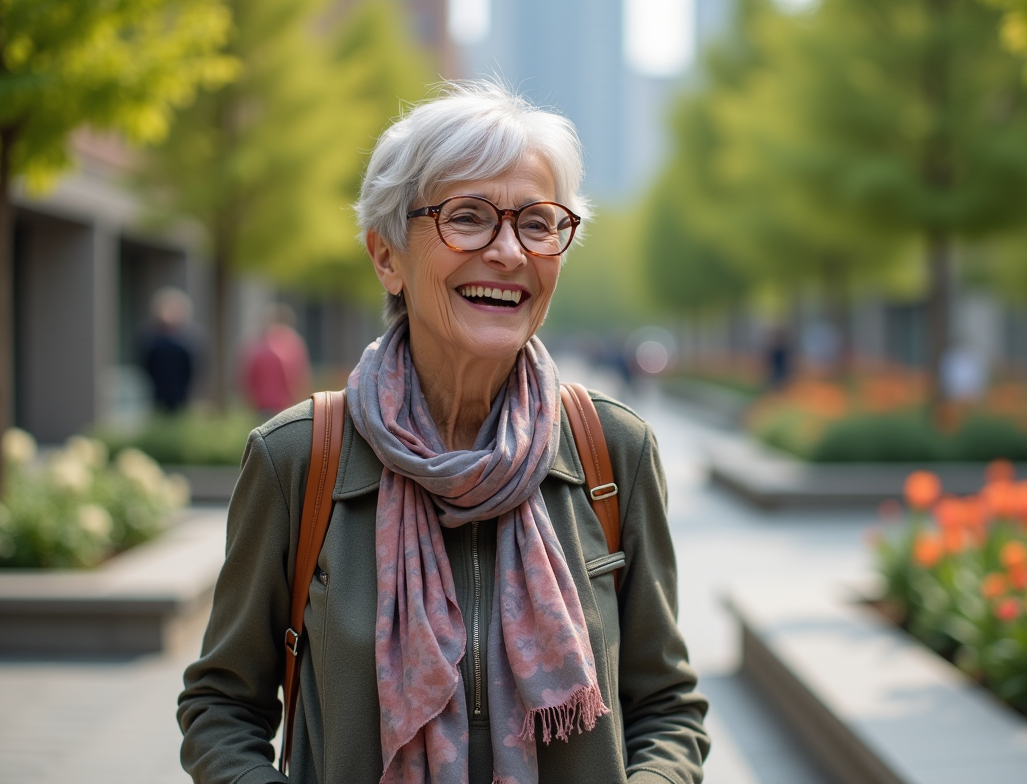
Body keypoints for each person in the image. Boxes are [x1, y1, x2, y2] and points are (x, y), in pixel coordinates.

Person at [177, 82, 710, 784]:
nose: (509, 252)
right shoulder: (299, 458)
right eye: (468, 217)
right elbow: (221, 706)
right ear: (386, 256)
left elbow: (667, 706)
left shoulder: (613, 451)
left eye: (539, 222)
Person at [242, 304, 313, 418]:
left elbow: (248, 377)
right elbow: (298, 378)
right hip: (285, 405)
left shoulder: (257, 345)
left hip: (261, 405)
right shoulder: (292, 343)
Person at [140, 287, 197, 413]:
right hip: (156, 398)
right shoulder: (151, 341)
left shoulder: (186, 342)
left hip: (181, 398)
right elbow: (146, 367)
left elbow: (190, 371)